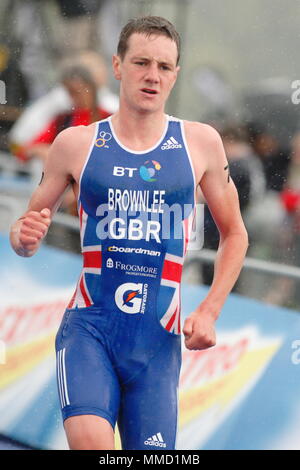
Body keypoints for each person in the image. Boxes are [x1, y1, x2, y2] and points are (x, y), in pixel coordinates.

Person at [10, 16, 248, 450]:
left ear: (175, 75)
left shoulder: (200, 144)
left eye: (164, 66)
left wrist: (210, 311)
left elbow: (236, 234)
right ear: (118, 66)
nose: (152, 76)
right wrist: (23, 238)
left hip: (157, 347)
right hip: (90, 331)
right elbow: (25, 231)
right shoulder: (76, 144)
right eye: (141, 62)